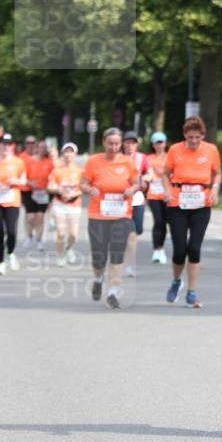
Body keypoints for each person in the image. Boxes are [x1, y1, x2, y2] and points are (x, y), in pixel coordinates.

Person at [162, 115, 221, 309]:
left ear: (203, 135)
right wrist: (167, 191)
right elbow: (165, 174)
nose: (194, 141)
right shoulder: (174, 150)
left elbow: (217, 173)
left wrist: (215, 189)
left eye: (197, 137)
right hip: (178, 203)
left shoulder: (211, 150)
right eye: (190, 137)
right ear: (185, 136)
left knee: (194, 248)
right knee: (180, 250)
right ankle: (176, 281)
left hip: (201, 203)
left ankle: (192, 291)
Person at [80, 128, 140, 309]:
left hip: (121, 214)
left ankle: (113, 292)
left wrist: (132, 189)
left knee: (117, 253)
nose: (114, 147)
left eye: (117, 143)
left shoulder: (128, 162)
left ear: (121, 144)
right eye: (110, 143)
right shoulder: (93, 161)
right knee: (99, 257)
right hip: (98, 215)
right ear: (104, 142)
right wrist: (90, 189)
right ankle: (98, 278)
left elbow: (138, 182)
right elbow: (83, 183)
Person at [0, 133, 26, 274]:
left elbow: (24, 180)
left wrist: (16, 182)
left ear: (12, 146)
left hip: (12, 200)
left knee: (12, 232)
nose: (6, 147)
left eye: (9, 144)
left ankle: (11, 252)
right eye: (3, 143)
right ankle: (1, 262)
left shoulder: (18, 162)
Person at [47, 143, 83, 265]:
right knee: (61, 233)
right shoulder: (57, 170)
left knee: (73, 234)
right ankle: (60, 256)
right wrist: (58, 189)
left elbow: (83, 188)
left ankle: (69, 248)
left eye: (71, 152)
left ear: (75, 154)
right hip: (60, 204)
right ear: (63, 154)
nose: (68, 154)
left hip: (74, 204)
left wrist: (73, 194)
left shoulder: (79, 171)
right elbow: (49, 186)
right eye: (66, 152)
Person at [122, 132, 148, 277]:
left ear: (136, 145)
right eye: (127, 142)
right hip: (120, 200)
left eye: (133, 142)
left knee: (133, 234)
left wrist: (144, 178)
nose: (130, 145)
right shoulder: (117, 158)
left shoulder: (141, 158)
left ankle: (129, 265)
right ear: (123, 143)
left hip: (136, 199)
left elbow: (150, 174)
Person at [144, 131, 169, 263]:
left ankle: (161, 249)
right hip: (153, 194)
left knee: (164, 223)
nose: (159, 145)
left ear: (165, 143)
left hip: (166, 194)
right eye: (156, 143)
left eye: (161, 142)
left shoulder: (170, 157)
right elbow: (146, 173)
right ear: (153, 145)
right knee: (158, 221)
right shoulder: (149, 158)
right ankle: (155, 250)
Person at [25, 139, 54, 250]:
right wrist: (29, 182)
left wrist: (50, 186)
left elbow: (54, 177)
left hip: (44, 193)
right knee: (30, 218)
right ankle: (30, 236)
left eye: (44, 147)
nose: (42, 149)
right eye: (40, 147)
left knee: (40, 217)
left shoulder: (49, 162)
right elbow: (23, 177)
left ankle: (39, 240)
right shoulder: (30, 161)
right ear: (36, 148)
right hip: (31, 192)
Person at [19, 135, 37, 247]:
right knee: (29, 215)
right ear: (25, 144)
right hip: (26, 189)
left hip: (40, 190)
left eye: (32, 143)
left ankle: (36, 234)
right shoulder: (21, 157)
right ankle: (29, 236)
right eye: (28, 143)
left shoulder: (39, 156)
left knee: (38, 215)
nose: (30, 145)